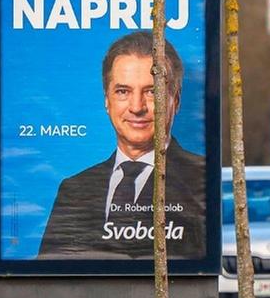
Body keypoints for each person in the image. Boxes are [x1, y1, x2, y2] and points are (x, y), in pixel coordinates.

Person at [38, 32, 208, 258]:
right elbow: (49, 273)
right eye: (123, 91)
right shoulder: (74, 189)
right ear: (107, 101)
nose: (136, 107)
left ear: (174, 101)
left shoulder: (201, 178)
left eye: (151, 91)